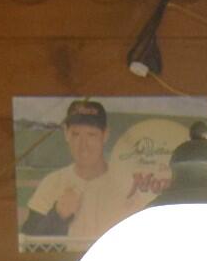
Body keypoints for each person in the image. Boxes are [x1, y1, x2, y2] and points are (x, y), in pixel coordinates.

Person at [22, 98, 151, 247]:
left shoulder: (127, 185)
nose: (83, 145)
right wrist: (57, 215)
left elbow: (144, 242)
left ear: (105, 135)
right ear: (66, 134)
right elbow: (27, 245)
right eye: (76, 134)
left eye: (91, 135)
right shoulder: (52, 183)